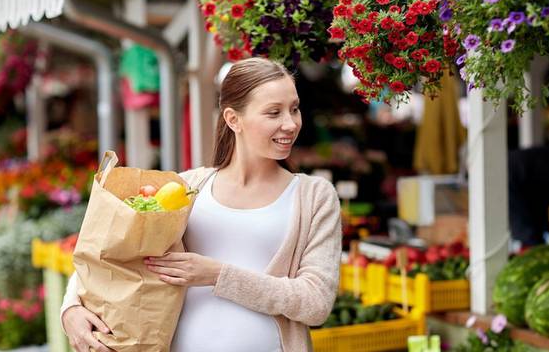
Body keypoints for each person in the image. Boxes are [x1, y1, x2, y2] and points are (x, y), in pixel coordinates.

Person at [60, 57, 342, 352]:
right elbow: (110, 255)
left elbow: (316, 303)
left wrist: (217, 275)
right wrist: (71, 310)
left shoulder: (314, 197)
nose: (290, 123)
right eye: (274, 112)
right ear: (233, 119)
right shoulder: (186, 188)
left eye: (294, 109)